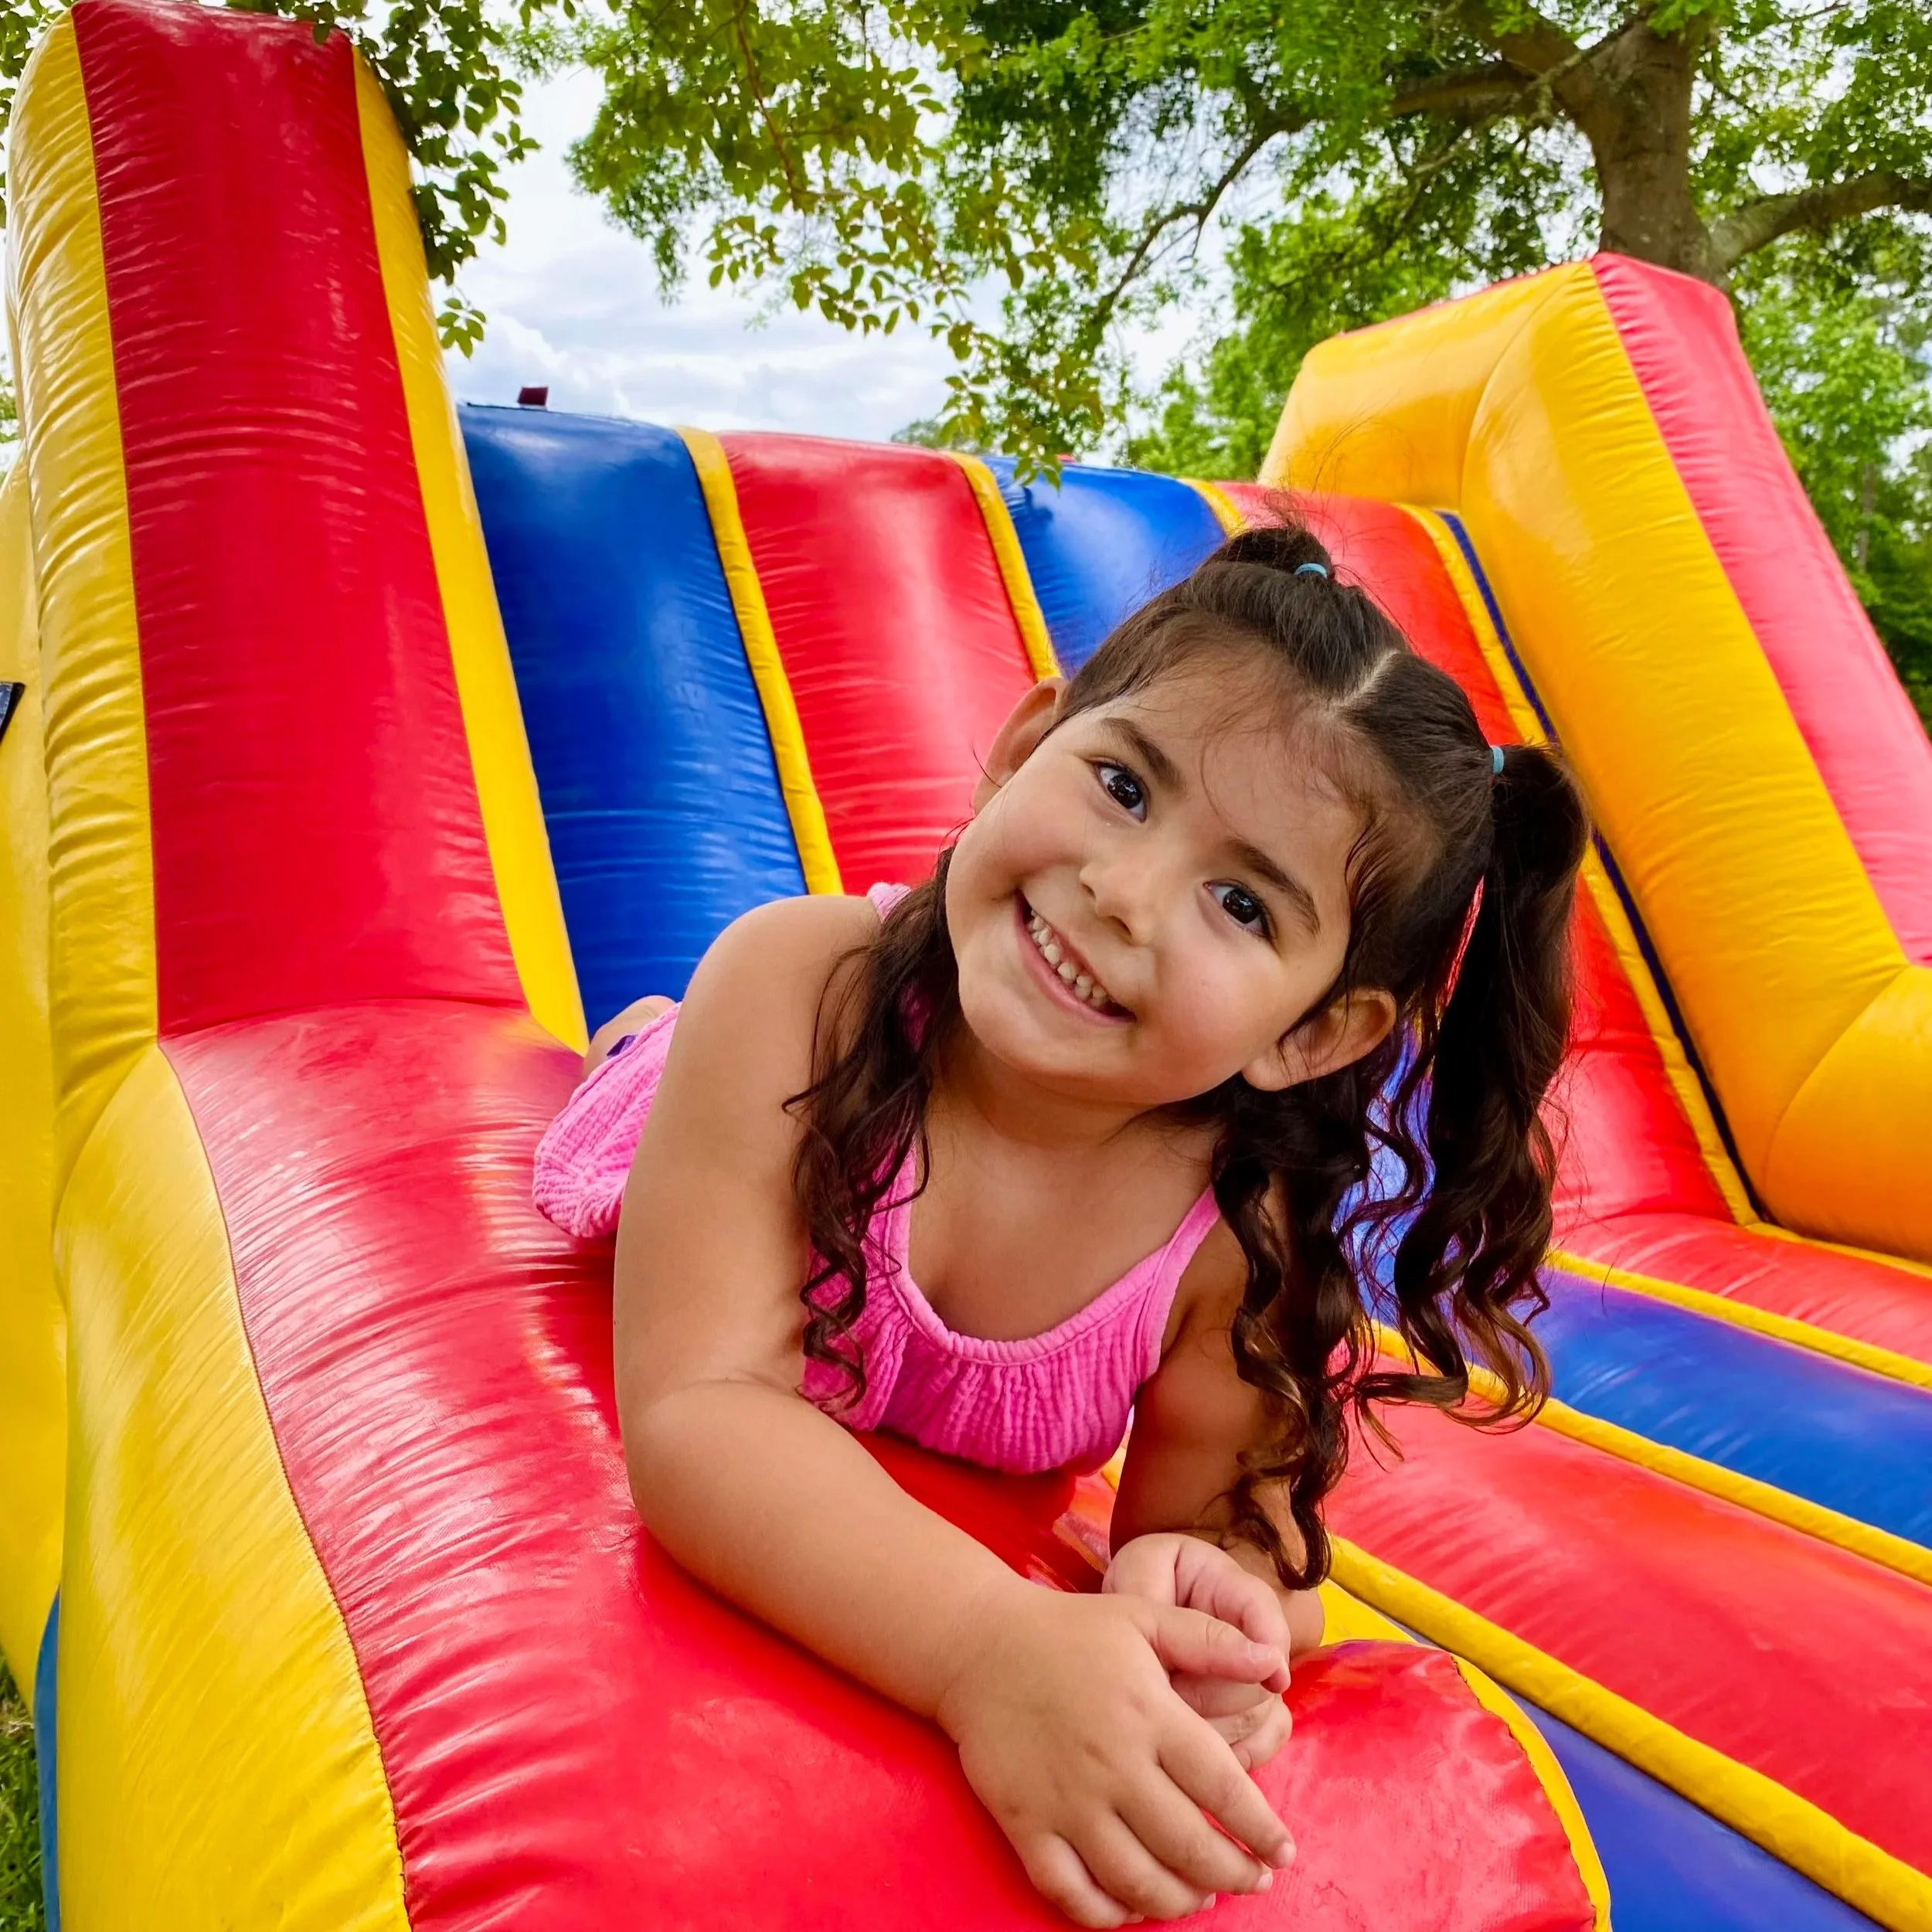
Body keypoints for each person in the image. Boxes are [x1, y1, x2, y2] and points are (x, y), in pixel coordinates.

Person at [534, 520, 1589, 1927]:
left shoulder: (1234, 1238)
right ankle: (644, 1038)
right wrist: (989, 1645)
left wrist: (1213, 1603)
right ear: (1029, 737)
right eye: (1120, 784)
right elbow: (704, 1406)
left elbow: (1248, 1539)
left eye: (1239, 903)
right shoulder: (796, 986)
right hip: (748, 1099)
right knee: (664, 1050)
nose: (1120, 890)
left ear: (1320, 1031)